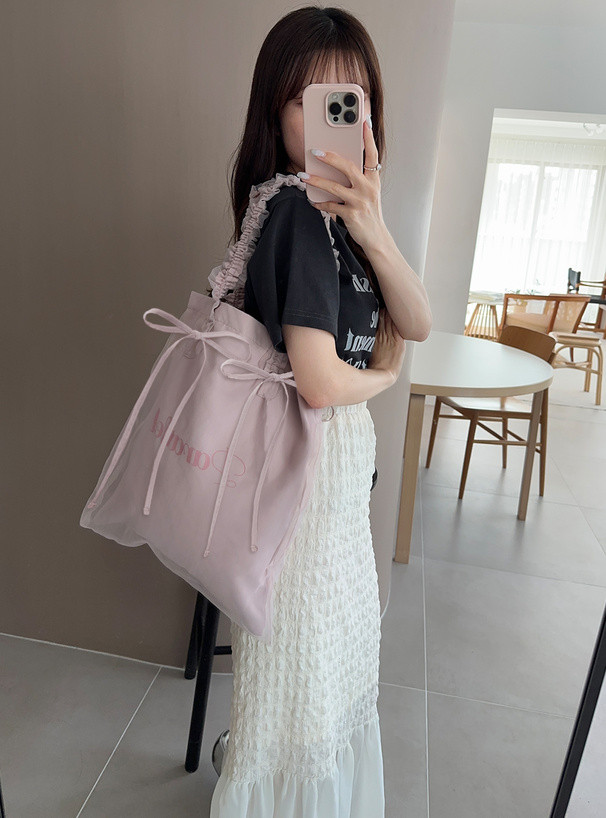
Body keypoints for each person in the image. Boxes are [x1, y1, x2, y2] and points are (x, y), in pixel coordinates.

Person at [209, 6, 432, 816]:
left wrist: (374, 225)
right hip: (305, 469)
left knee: (324, 670)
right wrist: (385, 374)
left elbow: (419, 319)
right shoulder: (299, 212)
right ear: (277, 116)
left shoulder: (344, 219)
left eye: (348, 99)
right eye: (307, 101)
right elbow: (320, 383)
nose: (330, 118)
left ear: (370, 113)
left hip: (330, 477)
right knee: (303, 681)